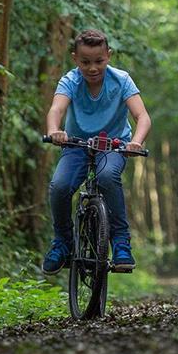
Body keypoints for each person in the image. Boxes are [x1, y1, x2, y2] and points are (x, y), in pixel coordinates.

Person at [42, 29, 152, 275]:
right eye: (85, 62)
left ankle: (121, 243)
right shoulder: (70, 81)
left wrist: (136, 141)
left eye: (99, 61)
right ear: (75, 59)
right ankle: (62, 242)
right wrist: (54, 130)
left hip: (112, 146)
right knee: (59, 186)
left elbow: (142, 116)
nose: (92, 68)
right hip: (76, 146)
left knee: (106, 178)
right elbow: (56, 110)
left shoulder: (121, 80)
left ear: (108, 56)